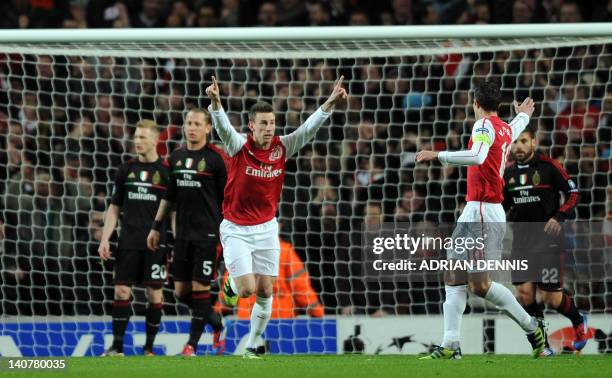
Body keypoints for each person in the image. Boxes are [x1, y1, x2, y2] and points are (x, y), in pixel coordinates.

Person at [205, 75, 347, 358]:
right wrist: (216, 105)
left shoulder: (282, 148)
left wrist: (329, 104)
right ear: (251, 126)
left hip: (266, 227)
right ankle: (232, 284)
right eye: (263, 124)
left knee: (265, 289)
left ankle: (252, 345)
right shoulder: (239, 147)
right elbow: (222, 129)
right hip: (235, 227)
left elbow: (307, 130)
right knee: (246, 289)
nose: (269, 129)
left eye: (272, 123)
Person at [416, 81, 546, 359]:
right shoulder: (503, 127)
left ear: (475, 103)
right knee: (453, 271)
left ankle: (532, 326)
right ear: (498, 105)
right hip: (475, 209)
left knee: (480, 285)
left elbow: (477, 156)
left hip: (485, 212)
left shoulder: (484, 126)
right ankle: (451, 344)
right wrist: (524, 114)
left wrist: (437, 155)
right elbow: (515, 128)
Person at [147, 108, 227, 357]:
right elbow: (169, 196)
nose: (191, 128)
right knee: (181, 291)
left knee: (200, 288)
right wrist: (155, 226)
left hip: (208, 235)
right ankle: (215, 321)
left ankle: (191, 345)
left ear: (207, 128)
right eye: (188, 123)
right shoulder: (177, 157)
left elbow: (228, 199)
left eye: (196, 124)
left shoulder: (216, 158)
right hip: (181, 234)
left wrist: (228, 233)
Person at [504, 125, 586, 356]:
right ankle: (543, 345)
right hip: (520, 242)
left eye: (523, 141)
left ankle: (579, 321)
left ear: (533, 142)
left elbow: (574, 193)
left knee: (551, 297)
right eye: (515, 142)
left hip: (549, 241)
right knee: (525, 295)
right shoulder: (507, 173)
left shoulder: (549, 167)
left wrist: (559, 216)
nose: (518, 146)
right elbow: (503, 205)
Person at [98, 120, 169, 356]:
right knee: (120, 292)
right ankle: (117, 347)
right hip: (128, 241)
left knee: (154, 294)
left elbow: (175, 212)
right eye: (136, 137)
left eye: (142, 137)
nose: (136, 141)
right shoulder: (126, 170)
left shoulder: (165, 173)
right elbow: (114, 207)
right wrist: (105, 238)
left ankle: (148, 348)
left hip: (156, 244)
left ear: (155, 140)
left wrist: (176, 243)